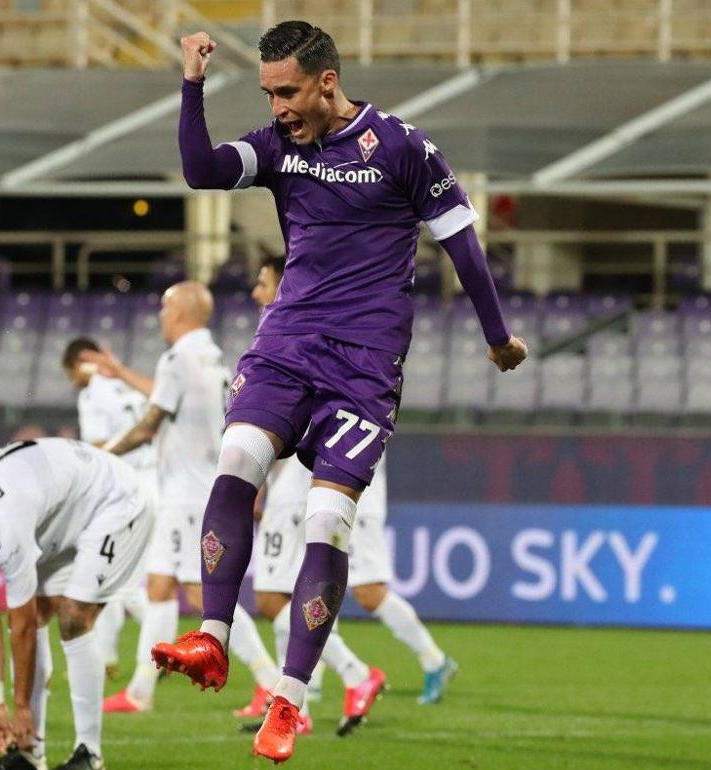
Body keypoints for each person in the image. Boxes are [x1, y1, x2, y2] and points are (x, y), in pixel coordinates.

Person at [155, 22, 527, 762]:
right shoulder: (277, 147)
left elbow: (463, 245)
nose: (279, 107)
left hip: (363, 367)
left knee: (326, 522)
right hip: (287, 344)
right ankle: (213, 639)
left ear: (327, 81)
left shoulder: (403, 150)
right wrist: (193, 84)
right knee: (236, 460)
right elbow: (199, 169)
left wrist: (495, 335)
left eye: (287, 91)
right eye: (268, 93)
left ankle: (290, 701)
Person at [77, 282, 281, 714]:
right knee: (158, 586)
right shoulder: (210, 356)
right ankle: (140, 691)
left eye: (166, 307)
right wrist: (124, 373)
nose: (161, 315)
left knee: (202, 593)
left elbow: (149, 425)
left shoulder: (177, 358)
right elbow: (168, 397)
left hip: (188, 494)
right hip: (193, 487)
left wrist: (103, 456)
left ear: (183, 313)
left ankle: (269, 682)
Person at [0, 438, 155, 770]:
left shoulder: (3, 527)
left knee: (73, 618)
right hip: (63, 514)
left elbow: (20, 627)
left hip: (116, 501)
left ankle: (89, 755)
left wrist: (20, 708)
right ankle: (29, 755)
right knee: (38, 616)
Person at [243, 257, 386, 738]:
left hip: (302, 478)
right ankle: (296, 703)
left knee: (270, 596)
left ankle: (350, 676)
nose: (256, 291)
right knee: (279, 594)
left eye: (263, 282)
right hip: (296, 478)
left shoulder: (293, 328)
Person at [62, 337, 153, 681]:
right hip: (153, 481)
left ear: (78, 365)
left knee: (122, 582)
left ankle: (165, 647)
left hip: (124, 490)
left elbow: (99, 447)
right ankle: (108, 658)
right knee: (117, 578)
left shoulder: (91, 394)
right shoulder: (124, 385)